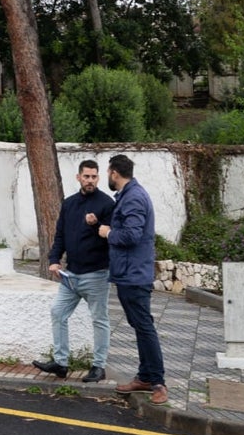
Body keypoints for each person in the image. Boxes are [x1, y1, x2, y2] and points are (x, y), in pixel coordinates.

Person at [32, 159, 115, 382]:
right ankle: (61, 363)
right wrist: (53, 260)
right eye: (86, 176)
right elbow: (60, 235)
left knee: (99, 319)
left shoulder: (107, 204)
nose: (90, 180)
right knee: (58, 313)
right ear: (78, 177)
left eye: (94, 176)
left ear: (98, 178)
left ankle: (99, 366)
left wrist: (95, 224)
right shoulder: (69, 204)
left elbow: (112, 236)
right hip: (71, 275)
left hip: (97, 274)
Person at [98, 153, 168, 405]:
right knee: (140, 326)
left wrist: (108, 232)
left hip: (134, 275)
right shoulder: (130, 196)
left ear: (114, 173)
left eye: (107, 173)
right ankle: (146, 376)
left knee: (144, 326)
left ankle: (157, 382)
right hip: (130, 273)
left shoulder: (134, 198)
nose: (108, 177)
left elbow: (131, 236)